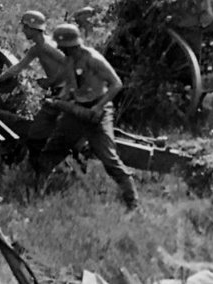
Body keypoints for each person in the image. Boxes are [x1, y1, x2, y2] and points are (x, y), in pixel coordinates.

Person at [39, 23, 139, 210]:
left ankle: (132, 203)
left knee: (109, 159)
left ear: (71, 45)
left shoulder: (93, 59)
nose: (59, 49)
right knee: (52, 150)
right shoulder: (69, 60)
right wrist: (61, 99)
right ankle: (36, 193)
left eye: (62, 46)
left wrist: (99, 107)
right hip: (77, 111)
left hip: (97, 112)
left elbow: (116, 84)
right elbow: (70, 84)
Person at [0, 10, 68, 161]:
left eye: (25, 27)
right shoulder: (37, 48)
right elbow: (17, 67)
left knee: (42, 131)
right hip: (59, 89)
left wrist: (50, 81)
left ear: (32, 28)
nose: (23, 31)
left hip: (65, 90)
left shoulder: (46, 46)